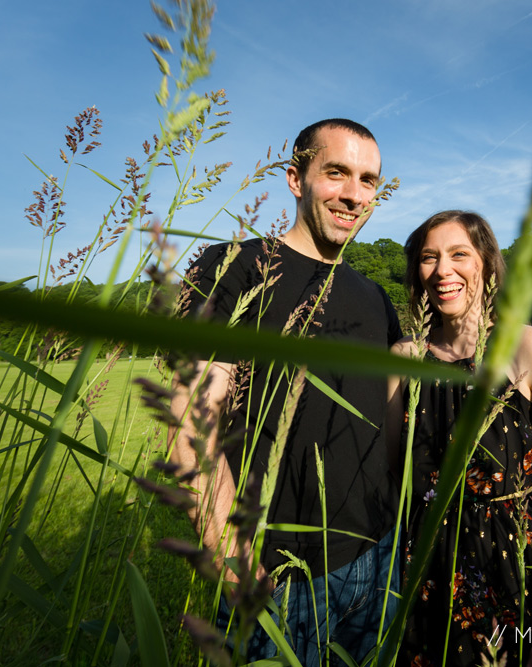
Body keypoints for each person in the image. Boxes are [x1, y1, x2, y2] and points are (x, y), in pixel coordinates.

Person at [170, 119, 402, 665]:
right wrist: (229, 555)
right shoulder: (235, 269)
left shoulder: (375, 297)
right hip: (281, 577)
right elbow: (190, 429)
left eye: (368, 180)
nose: (353, 194)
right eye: (337, 173)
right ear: (296, 178)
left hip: (379, 559)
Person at [387, 210, 532, 666]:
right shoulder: (401, 359)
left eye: (458, 254)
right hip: (425, 575)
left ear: (486, 265)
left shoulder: (531, 349)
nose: (442, 270)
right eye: (429, 257)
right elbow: (394, 482)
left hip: (516, 571)